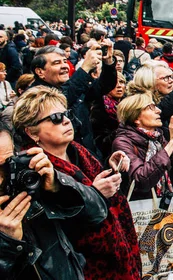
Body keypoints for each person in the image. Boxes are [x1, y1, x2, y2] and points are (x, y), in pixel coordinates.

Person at [12, 86, 142, 280]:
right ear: (32, 132)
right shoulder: (34, 173)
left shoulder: (79, 151)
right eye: (56, 118)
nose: (66, 121)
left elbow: (102, 196)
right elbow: (62, 230)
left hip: (119, 259)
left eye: (67, 114)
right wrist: (95, 193)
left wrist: (110, 167)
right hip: (85, 269)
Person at [0, 122, 109, 280]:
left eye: (7, 164)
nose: (3, 177)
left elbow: (98, 213)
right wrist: (7, 245)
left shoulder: (26, 188)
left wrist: (58, 186)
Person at [112, 92, 173, 230]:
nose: (158, 110)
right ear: (136, 118)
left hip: (162, 211)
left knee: (164, 248)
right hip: (140, 215)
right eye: (151, 108)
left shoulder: (157, 138)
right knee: (147, 250)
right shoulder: (123, 142)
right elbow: (142, 180)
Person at [30, 42, 117, 161]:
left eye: (65, 61)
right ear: (40, 72)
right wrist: (85, 68)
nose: (64, 66)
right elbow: (62, 101)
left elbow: (103, 86)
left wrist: (108, 63)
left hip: (89, 155)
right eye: (57, 63)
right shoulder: (33, 95)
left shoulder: (73, 86)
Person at [91, 72, 127, 158]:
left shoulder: (129, 104)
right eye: (114, 83)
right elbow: (100, 143)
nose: (119, 86)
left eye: (121, 82)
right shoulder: (99, 108)